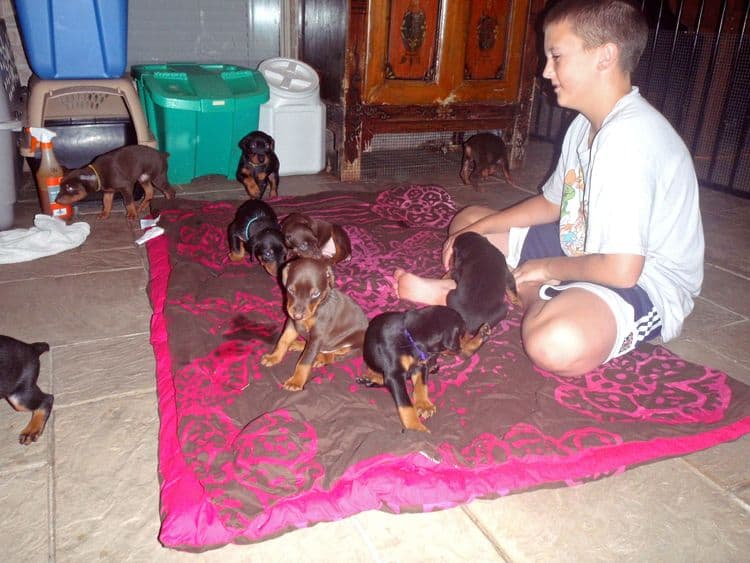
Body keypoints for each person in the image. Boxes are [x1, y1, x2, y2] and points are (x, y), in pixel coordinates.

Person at [393, 0, 704, 378]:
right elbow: (554, 202)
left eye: (556, 56)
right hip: (579, 246)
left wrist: (541, 268)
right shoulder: (584, 126)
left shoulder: (630, 139)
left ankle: (498, 293)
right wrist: (476, 231)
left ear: (604, 56)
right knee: (471, 221)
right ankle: (496, 288)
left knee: (555, 343)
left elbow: (622, 270)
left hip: (645, 280)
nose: (546, 70)